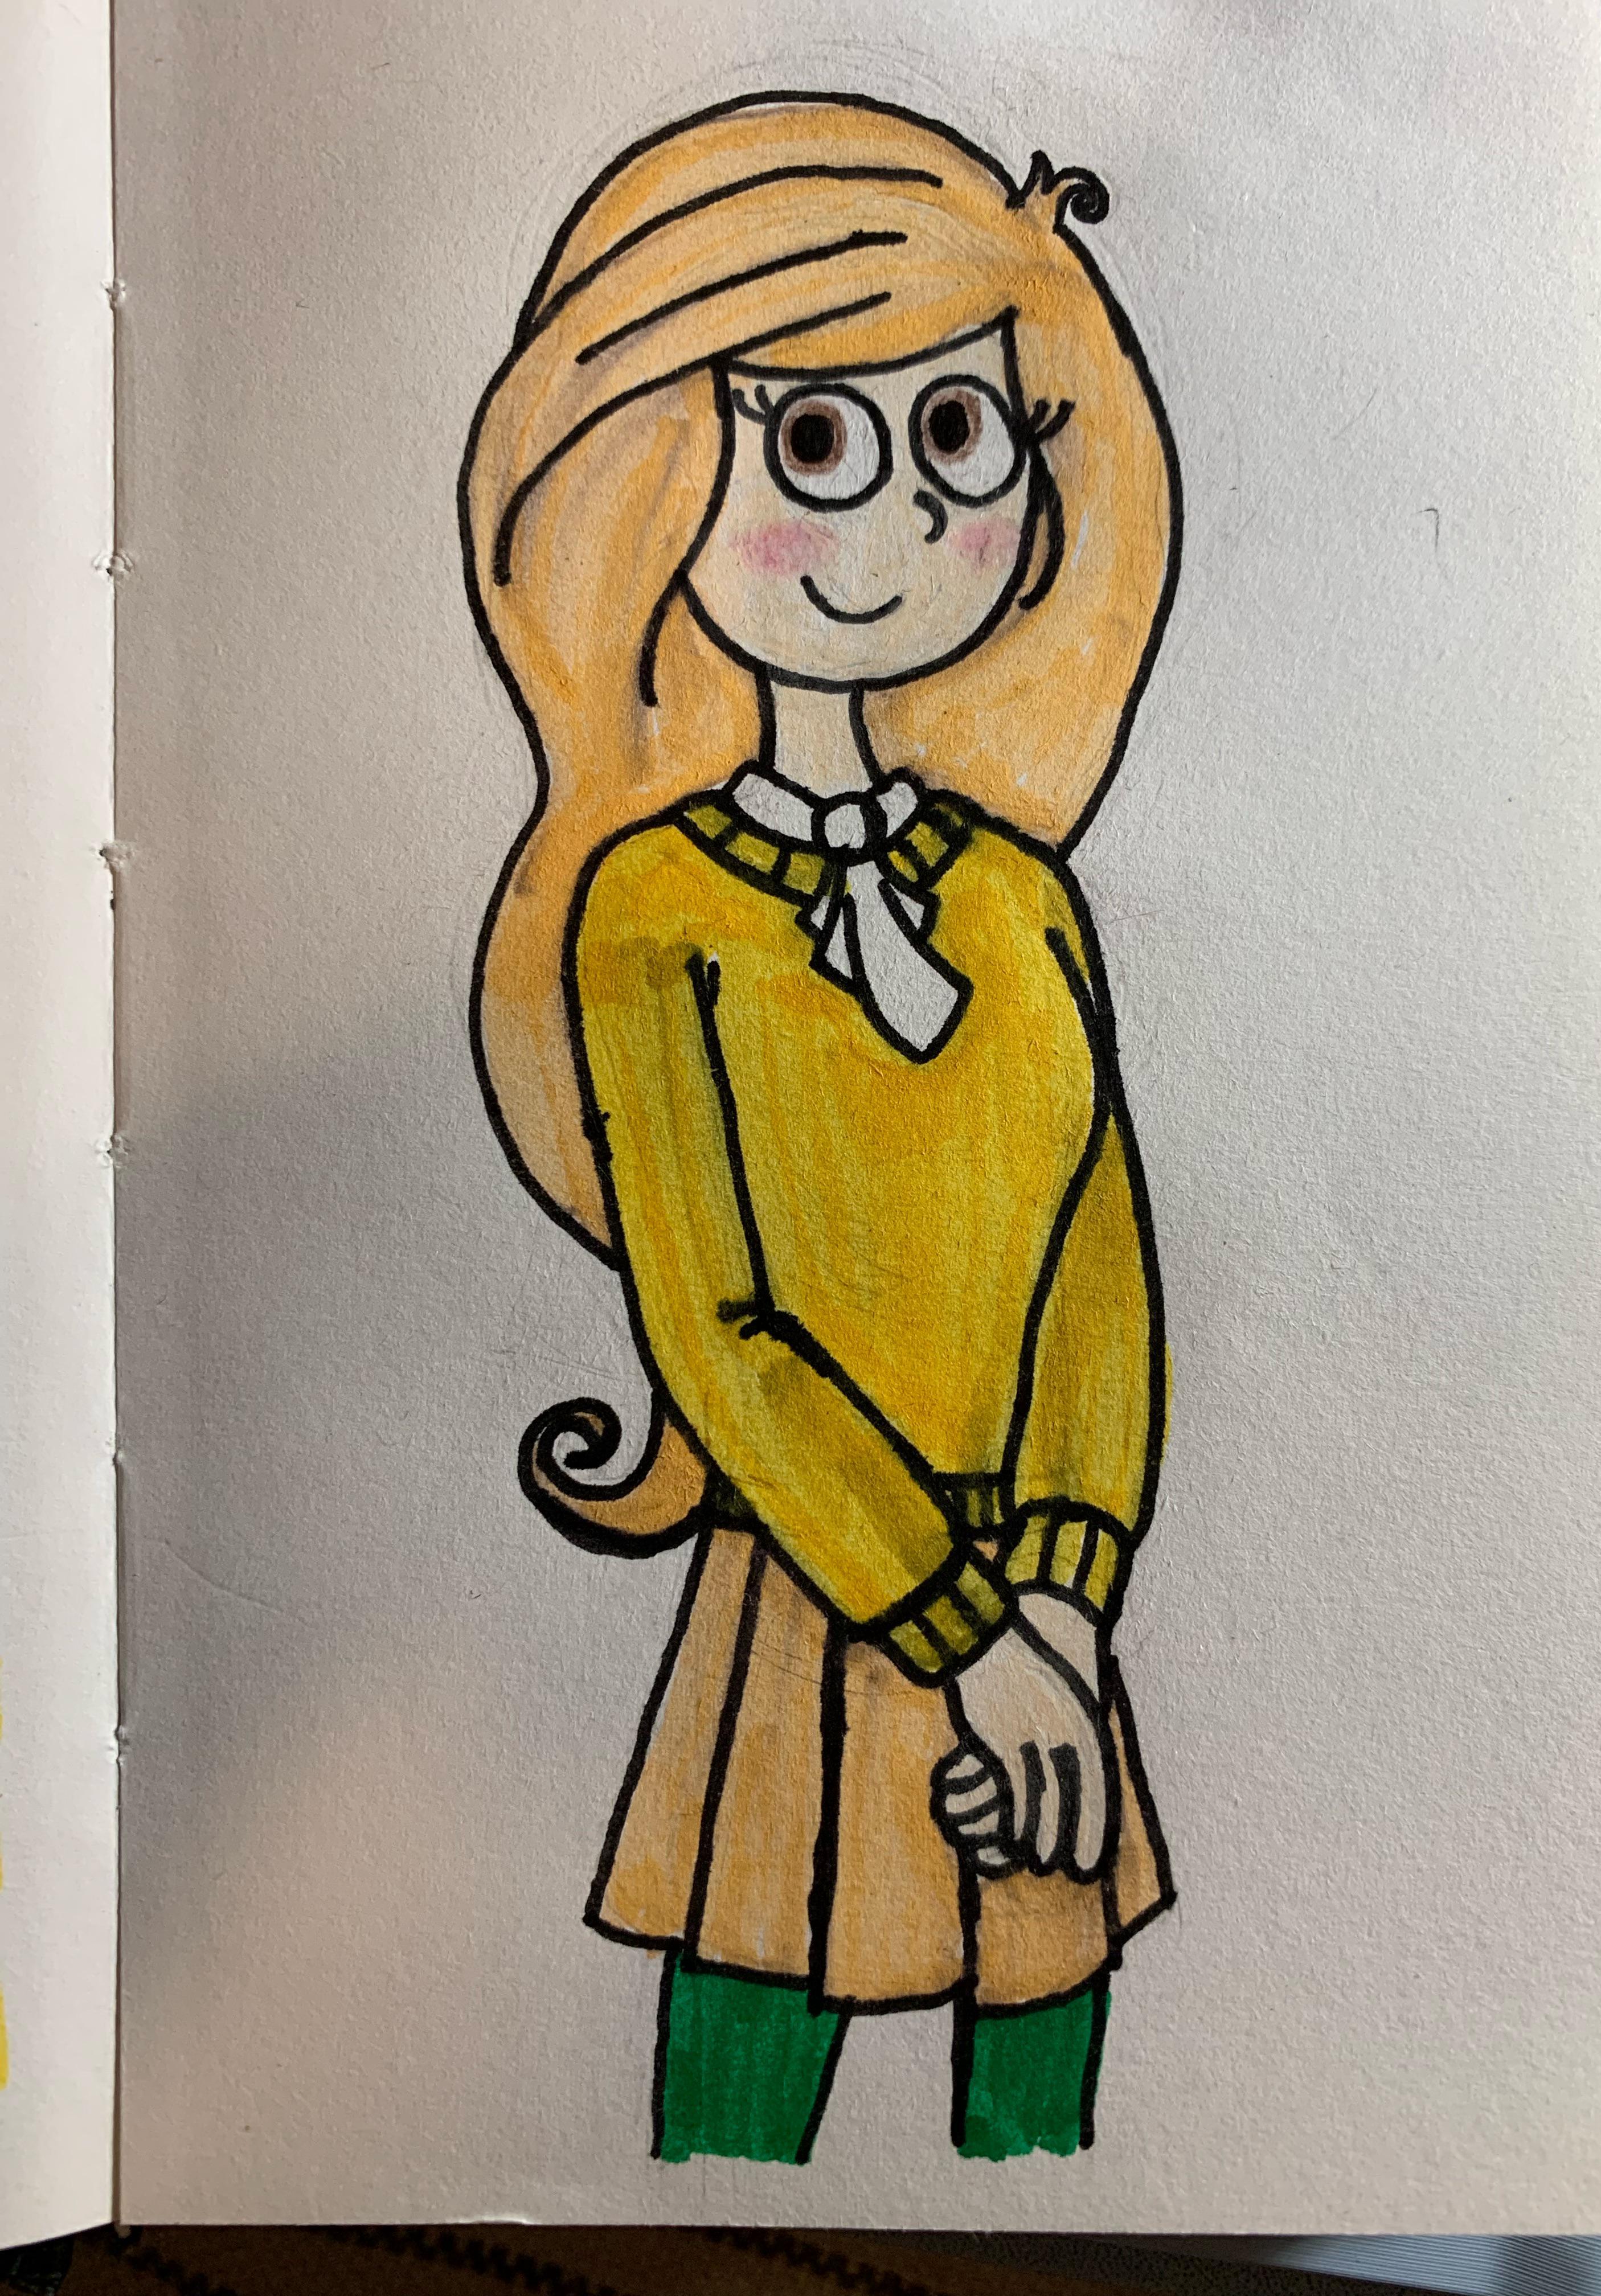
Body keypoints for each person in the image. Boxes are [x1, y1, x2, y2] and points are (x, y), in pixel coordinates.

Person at [461, 90, 1180, 2164]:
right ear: (665, 471)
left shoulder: (1023, 901)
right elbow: (719, 1327)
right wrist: (959, 1633)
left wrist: (1061, 1613)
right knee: (728, 2102)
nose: (896, 528)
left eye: (958, 437)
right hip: (810, 1603)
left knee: (1045, 2118)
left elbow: (1101, 1277)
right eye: (814, 446)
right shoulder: (653, 910)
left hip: (1043, 1618)